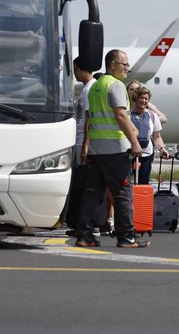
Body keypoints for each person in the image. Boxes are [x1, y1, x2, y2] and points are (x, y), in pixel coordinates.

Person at [76, 49, 149, 248]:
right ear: (113, 65)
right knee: (123, 193)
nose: (127, 69)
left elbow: (91, 119)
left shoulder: (95, 86)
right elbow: (120, 115)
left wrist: (86, 147)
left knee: (92, 193)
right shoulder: (115, 85)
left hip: (97, 150)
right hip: (115, 150)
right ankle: (127, 237)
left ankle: (84, 235)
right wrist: (134, 142)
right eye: (125, 65)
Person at [62, 57, 96, 234]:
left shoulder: (89, 89)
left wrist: (84, 146)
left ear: (82, 69)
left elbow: (89, 119)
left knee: (82, 186)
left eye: (75, 70)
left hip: (84, 143)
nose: (74, 74)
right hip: (81, 141)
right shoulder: (86, 89)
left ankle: (82, 225)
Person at [129, 86, 169, 185]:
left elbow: (157, 136)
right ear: (135, 98)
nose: (144, 101)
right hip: (128, 155)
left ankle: (141, 201)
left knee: (143, 183)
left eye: (146, 99)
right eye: (141, 98)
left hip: (146, 154)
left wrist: (161, 148)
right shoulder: (127, 115)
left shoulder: (152, 116)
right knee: (125, 183)